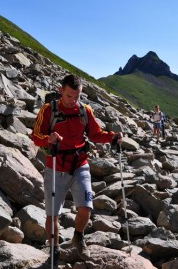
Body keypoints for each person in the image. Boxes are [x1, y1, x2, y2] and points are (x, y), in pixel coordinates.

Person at [32, 74, 122, 259]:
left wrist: (111, 136)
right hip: (55, 167)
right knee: (52, 215)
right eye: (69, 96)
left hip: (80, 164)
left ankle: (78, 237)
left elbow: (95, 134)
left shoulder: (85, 110)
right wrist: (47, 139)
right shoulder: (48, 110)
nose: (73, 101)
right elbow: (35, 136)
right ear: (61, 91)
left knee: (86, 208)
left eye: (77, 96)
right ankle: (54, 249)